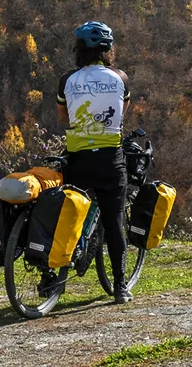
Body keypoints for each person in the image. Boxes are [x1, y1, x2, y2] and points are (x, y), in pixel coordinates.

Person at [56, 20, 133, 303]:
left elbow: (64, 119)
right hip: (110, 161)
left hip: (78, 160)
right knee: (114, 223)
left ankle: (52, 277)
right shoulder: (121, 78)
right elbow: (121, 114)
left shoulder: (67, 80)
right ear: (107, 50)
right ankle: (121, 287)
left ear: (80, 50)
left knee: (68, 217)